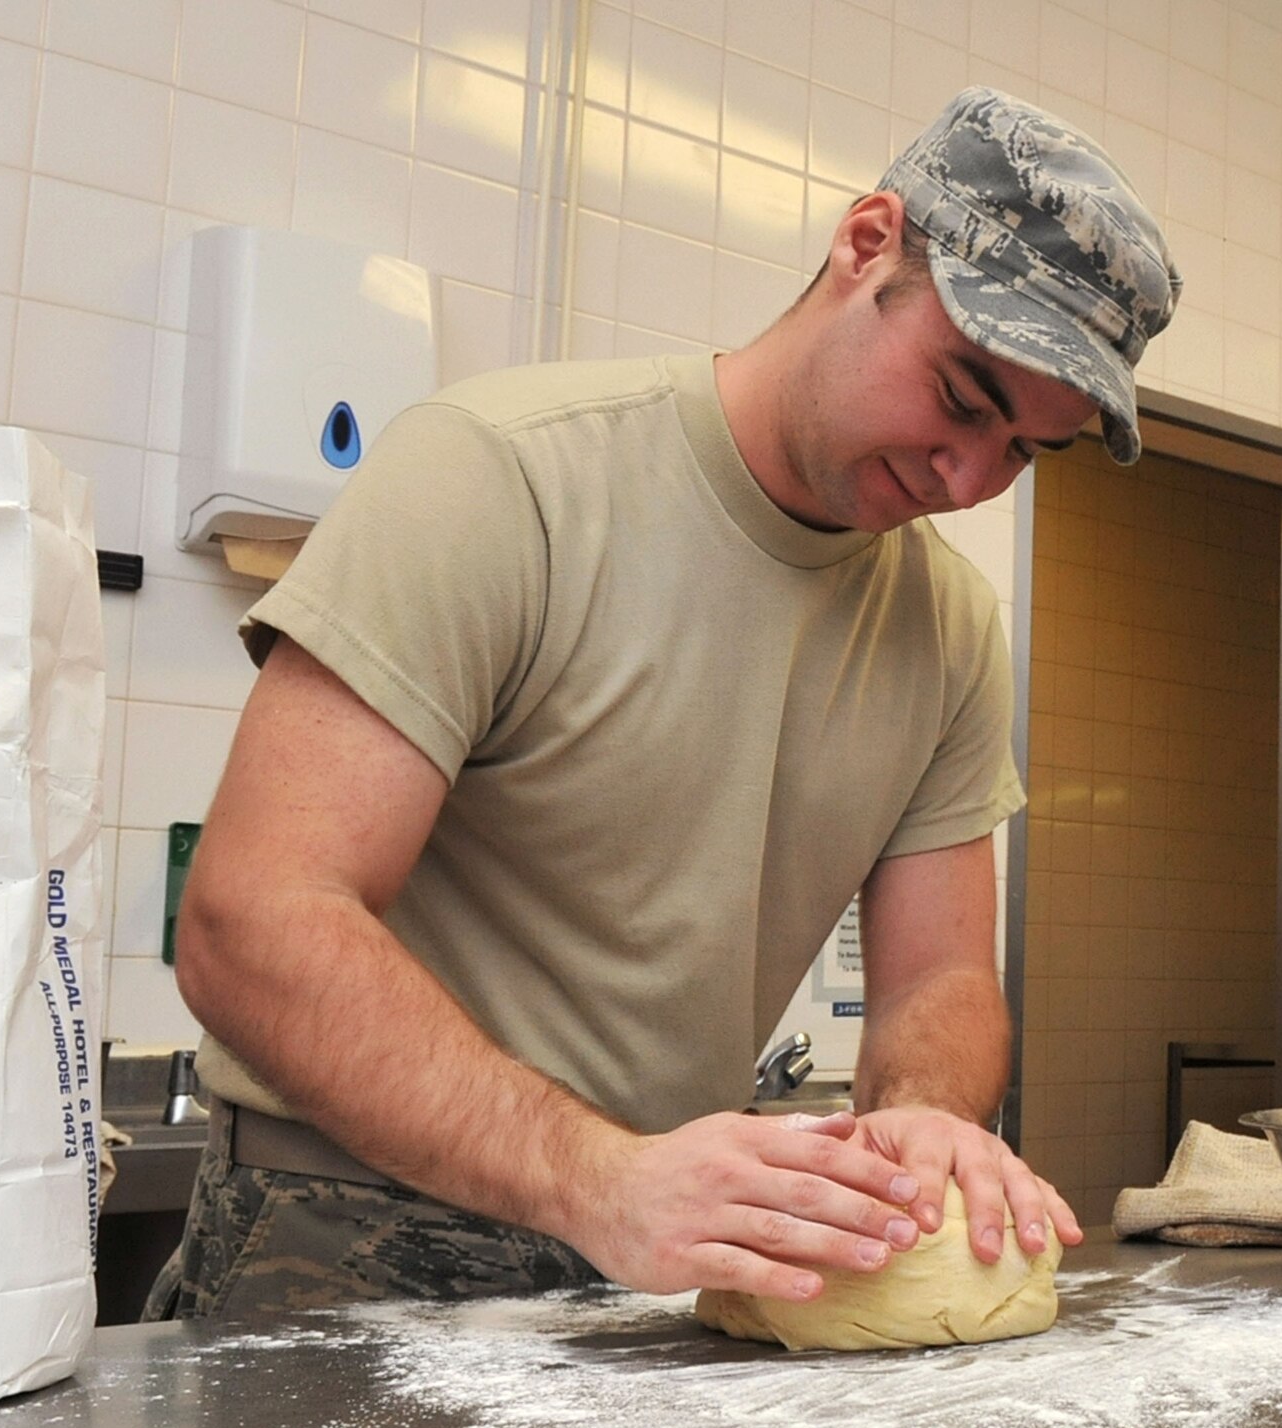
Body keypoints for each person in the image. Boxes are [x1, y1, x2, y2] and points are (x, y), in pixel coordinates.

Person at [144, 86, 1180, 1320]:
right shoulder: (501, 477)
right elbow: (253, 919)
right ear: (865, 245)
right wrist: (596, 1177)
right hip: (349, 1226)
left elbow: (937, 980)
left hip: (669, 1242)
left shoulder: (946, 629)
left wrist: (919, 1118)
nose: (967, 479)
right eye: (962, 398)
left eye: (1023, 451)